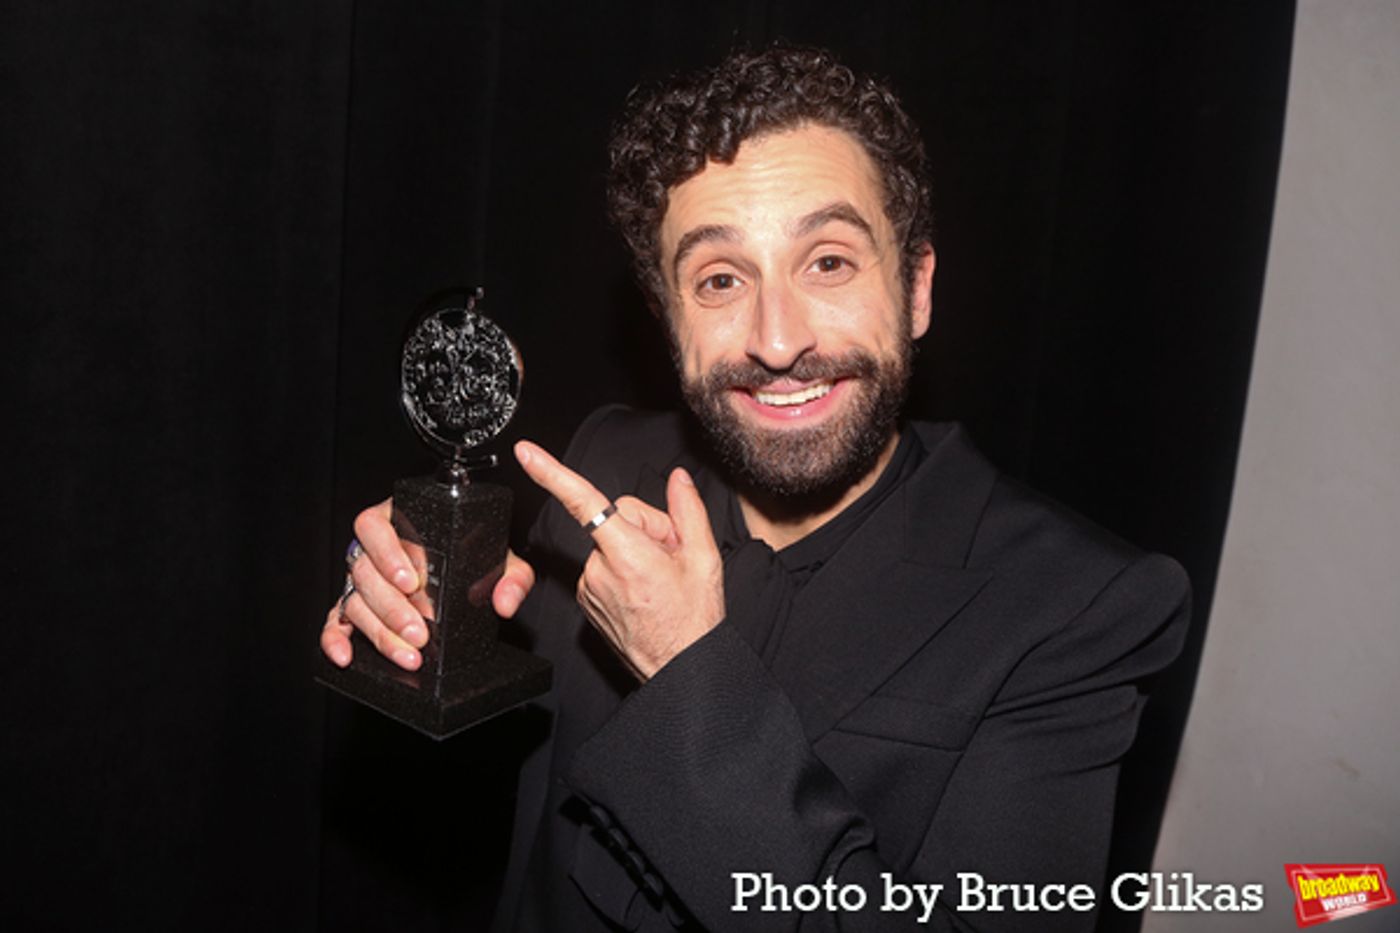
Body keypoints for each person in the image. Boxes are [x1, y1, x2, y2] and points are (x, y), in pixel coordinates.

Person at [321, 45, 1190, 932]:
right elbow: (490, 749)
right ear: (668, 320)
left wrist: (685, 675)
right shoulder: (607, 463)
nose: (777, 340)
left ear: (917, 288)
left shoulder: (1074, 607)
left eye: (829, 262)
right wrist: (415, 597)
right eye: (721, 279)